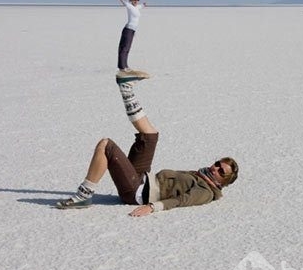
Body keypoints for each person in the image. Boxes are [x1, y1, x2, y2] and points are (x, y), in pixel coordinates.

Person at [56, 74, 239, 217]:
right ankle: (126, 89)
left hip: (136, 192)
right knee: (150, 135)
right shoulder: (200, 175)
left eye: (221, 172)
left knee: (106, 145)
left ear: (223, 181)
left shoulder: (206, 192)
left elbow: (181, 200)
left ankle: (84, 195)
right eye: (217, 164)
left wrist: (152, 208)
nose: (215, 169)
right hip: (144, 177)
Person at [115, 0, 149, 79]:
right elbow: (125, 3)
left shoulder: (137, 7)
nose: (136, 1)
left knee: (127, 49)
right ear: (131, 0)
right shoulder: (129, 6)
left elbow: (140, 6)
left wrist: (144, 5)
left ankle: (125, 65)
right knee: (124, 48)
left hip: (132, 30)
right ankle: (122, 67)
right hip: (128, 29)